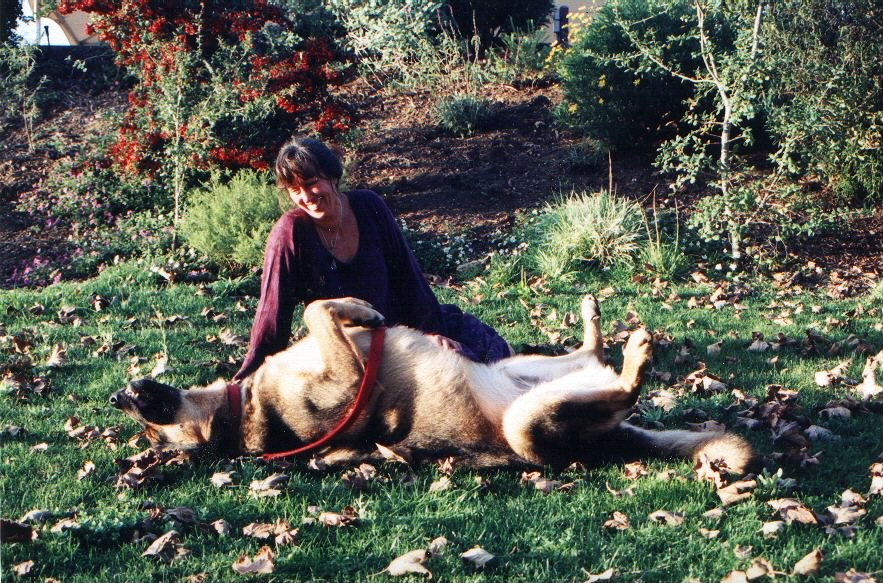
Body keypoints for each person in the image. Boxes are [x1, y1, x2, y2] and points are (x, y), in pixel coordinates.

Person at [233, 137, 511, 382]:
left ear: (331, 176)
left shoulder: (368, 205)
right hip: (351, 349)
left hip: (401, 329)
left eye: (311, 183)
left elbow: (408, 278)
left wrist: (429, 336)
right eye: (295, 190)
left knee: (484, 358)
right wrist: (253, 377)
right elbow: (272, 313)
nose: (306, 197)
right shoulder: (291, 231)